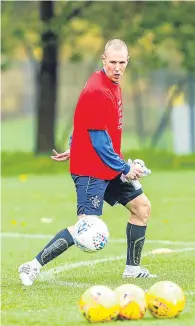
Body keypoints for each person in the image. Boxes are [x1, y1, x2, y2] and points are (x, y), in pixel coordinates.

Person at [18, 39, 156, 286]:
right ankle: (32, 266)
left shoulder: (112, 85)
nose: (117, 67)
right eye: (112, 62)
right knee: (85, 226)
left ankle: (132, 269)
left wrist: (74, 144)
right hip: (91, 170)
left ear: (127, 61)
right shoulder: (97, 90)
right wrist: (126, 168)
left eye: (121, 62)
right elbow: (100, 141)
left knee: (141, 208)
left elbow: (83, 120)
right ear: (103, 59)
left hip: (106, 165)